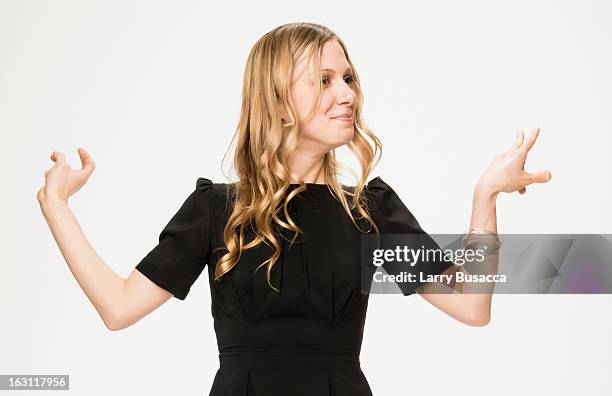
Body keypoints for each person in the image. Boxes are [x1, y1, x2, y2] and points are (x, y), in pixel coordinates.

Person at [37, 22, 551, 396]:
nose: (347, 93)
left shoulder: (370, 211)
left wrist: (486, 196)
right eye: (324, 80)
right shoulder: (217, 210)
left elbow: (471, 305)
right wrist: (56, 204)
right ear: (280, 102)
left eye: (348, 78)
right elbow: (118, 307)